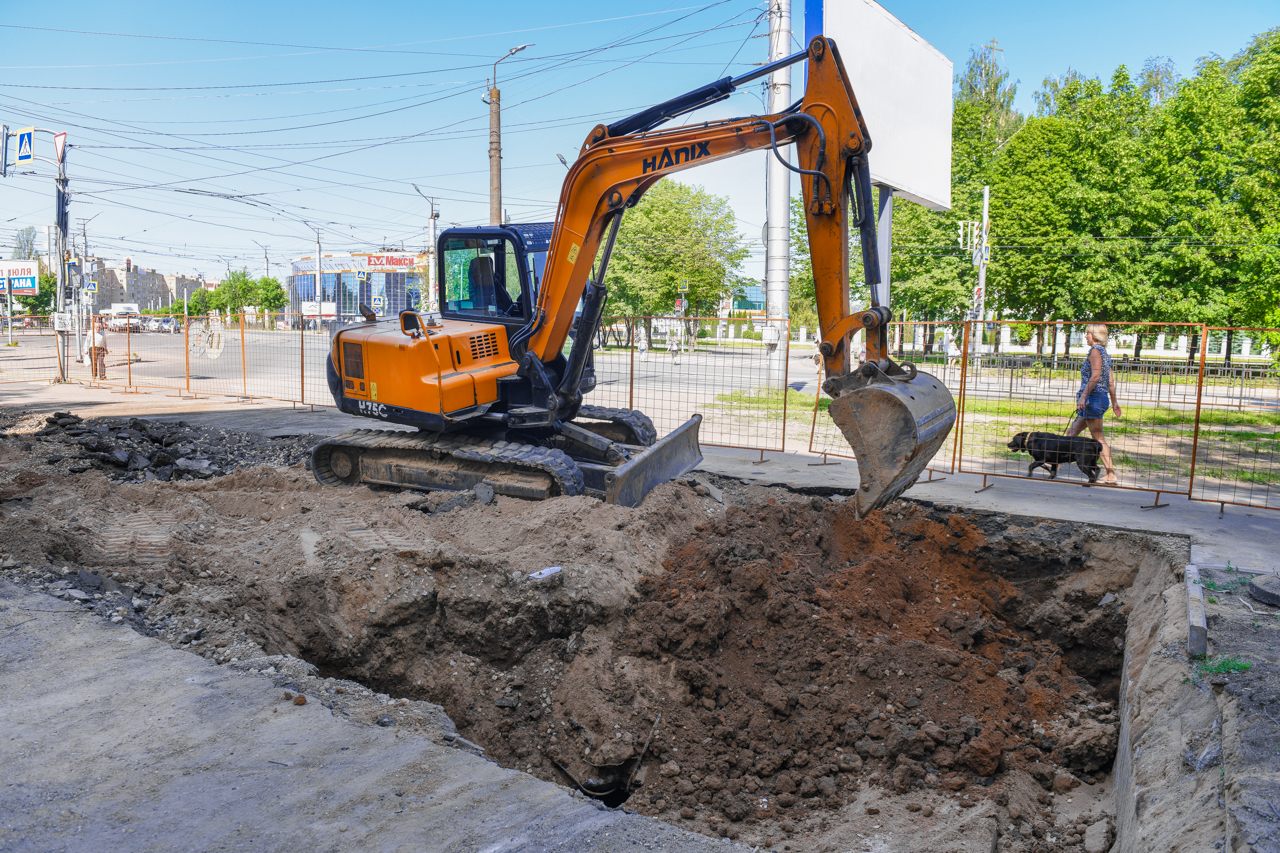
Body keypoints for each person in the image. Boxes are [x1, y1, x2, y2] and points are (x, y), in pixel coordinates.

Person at [1067, 323, 1122, 484]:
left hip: (1093, 399)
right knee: (1071, 433)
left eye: (1087, 333)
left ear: (1095, 335)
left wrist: (1084, 396)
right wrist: (1114, 401)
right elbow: (1110, 381)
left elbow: (1096, 377)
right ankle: (1054, 463)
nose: (1085, 336)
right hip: (1098, 398)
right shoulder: (1105, 354)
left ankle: (1111, 474)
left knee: (1098, 438)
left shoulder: (1095, 351)